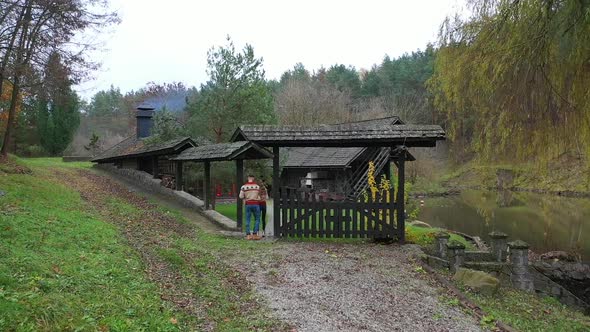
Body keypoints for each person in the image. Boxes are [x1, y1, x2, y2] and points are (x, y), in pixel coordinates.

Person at [239, 175, 261, 240]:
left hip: (248, 204)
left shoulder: (243, 187)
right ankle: (254, 234)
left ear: (248, 178)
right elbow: (259, 197)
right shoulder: (257, 187)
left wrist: (246, 196)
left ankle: (248, 235)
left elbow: (240, 196)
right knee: (257, 219)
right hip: (256, 204)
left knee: (247, 219)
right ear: (253, 178)